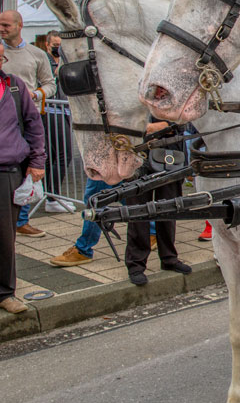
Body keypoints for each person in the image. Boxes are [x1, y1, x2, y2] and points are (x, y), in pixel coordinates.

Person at [1, 10, 55, 237]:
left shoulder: (37, 54)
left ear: (19, 25)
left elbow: (50, 84)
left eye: (6, 25)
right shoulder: (2, 49)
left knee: (26, 169)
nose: (2, 29)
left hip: (26, 115)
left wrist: (35, 95)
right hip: (6, 120)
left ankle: (20, 219)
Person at [1, 44, 46, 313]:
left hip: (7, 171)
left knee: (5, 237)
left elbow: (34, 125)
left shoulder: (14, 86)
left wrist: (37, 162)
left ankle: (5, 293)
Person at [123, 120, 192, 286]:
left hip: (170, 153)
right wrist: (142, 127)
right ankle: (136, 265)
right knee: (138, 214)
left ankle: (169, 258)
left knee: (169, 210)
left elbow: (184, 116)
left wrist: (167, 124)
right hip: (137, 154)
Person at [48, 178, 120, 267]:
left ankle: (83, 249)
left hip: (104, 168)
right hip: (108, 167)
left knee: (95, 201)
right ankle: (83, 249)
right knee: (129, 195)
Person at [40, 30, 73, 213]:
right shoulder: (44, 61)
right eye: (55, 46)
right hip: (51, 111)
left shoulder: (65, 61)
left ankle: (51, 195)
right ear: (47, 44)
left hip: (65, 110)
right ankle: (52, 197)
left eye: (61, 46)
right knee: (62, 155)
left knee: (54, 156)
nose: (58, 50)